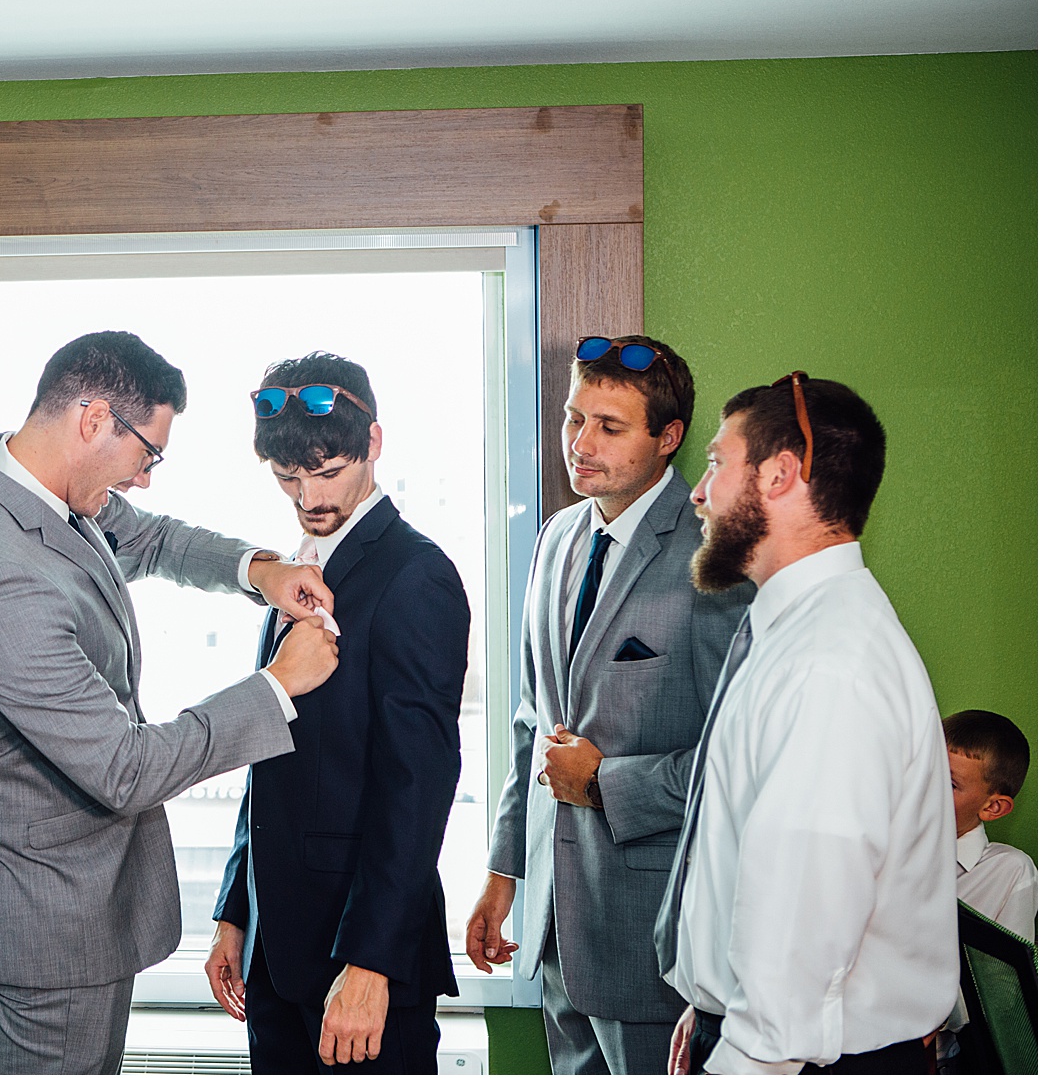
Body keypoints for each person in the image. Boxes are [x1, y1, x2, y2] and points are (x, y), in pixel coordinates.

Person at [0, 330, 341, 1074]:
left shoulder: (15, 475)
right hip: (49, 914)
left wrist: (261, 570)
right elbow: (124, 766)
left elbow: (149, 541)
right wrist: (278, 684)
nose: (146, 478)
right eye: (148, 452)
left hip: (73, 892)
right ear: (91, 420)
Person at [465, 335, 749, 1074]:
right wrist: (505, 873)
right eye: (573, 418)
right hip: (555, 925)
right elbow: (534, 720)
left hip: (656, 938)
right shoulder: (557, 536)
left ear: (669, 438)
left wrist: (603, 782)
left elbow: (741, 763)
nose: (580, 444)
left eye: (609, 426)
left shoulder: (717, 557)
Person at [659, 372, 958, 1074]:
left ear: (781, 474)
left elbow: (802, 928)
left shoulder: (831, 666)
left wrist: (740, 1050)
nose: (698, 493)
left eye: (714, 464)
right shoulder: (802, 634)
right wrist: (710, 1003)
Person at [205, 354, 470, 1073]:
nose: (309, 495)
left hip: (359, 969)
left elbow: (417, 788)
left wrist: (371, 963)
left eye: (327, 473)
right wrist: (236, 909)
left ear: (374, 444)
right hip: (275, 954)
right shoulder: (294, 574)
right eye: (289, 478)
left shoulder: (417, 575)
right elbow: (271, 749)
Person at [942, 709, 1036, 941]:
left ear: (993, 807)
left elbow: (1002, 975)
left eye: (950, 784)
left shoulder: (1009, 871)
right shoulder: (886, 845)